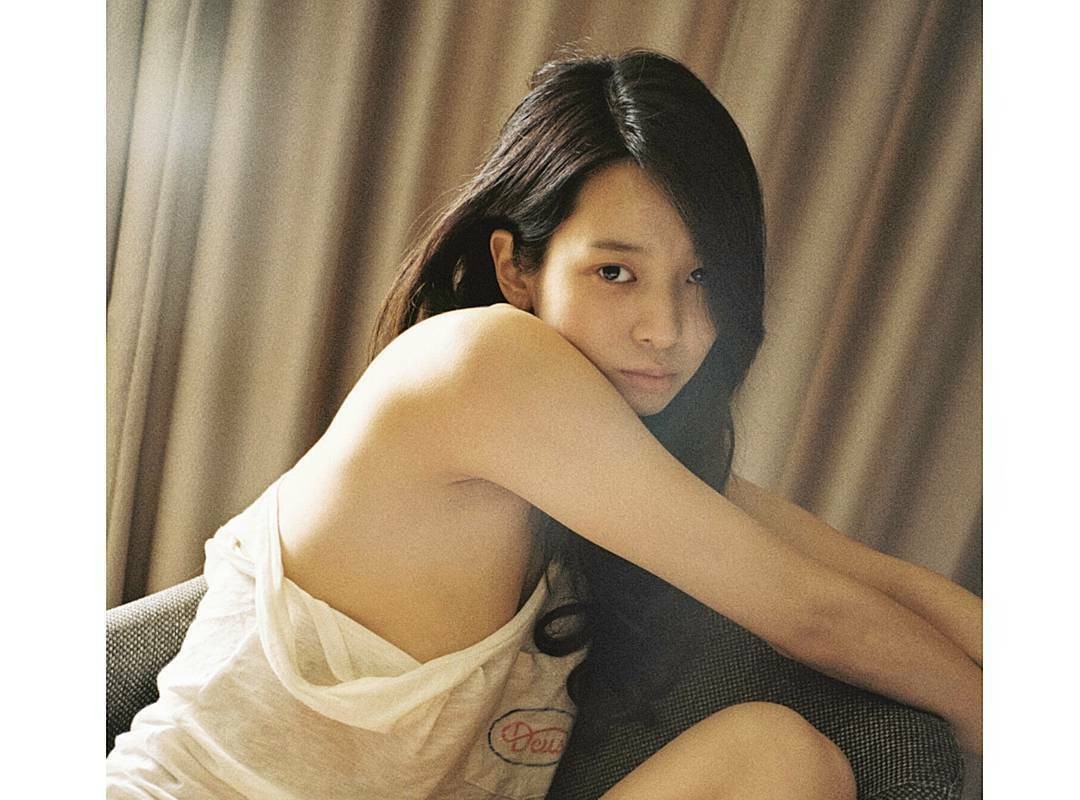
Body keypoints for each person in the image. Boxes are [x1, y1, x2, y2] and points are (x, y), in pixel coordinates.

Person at [106, 50, 981, 800]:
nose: (666, 330)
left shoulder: (620, 464)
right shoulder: (484, 365)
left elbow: (874, 581)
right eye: (615, 273)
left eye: (700, 278)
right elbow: (815, 613)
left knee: (779, 760)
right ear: (517, 269)